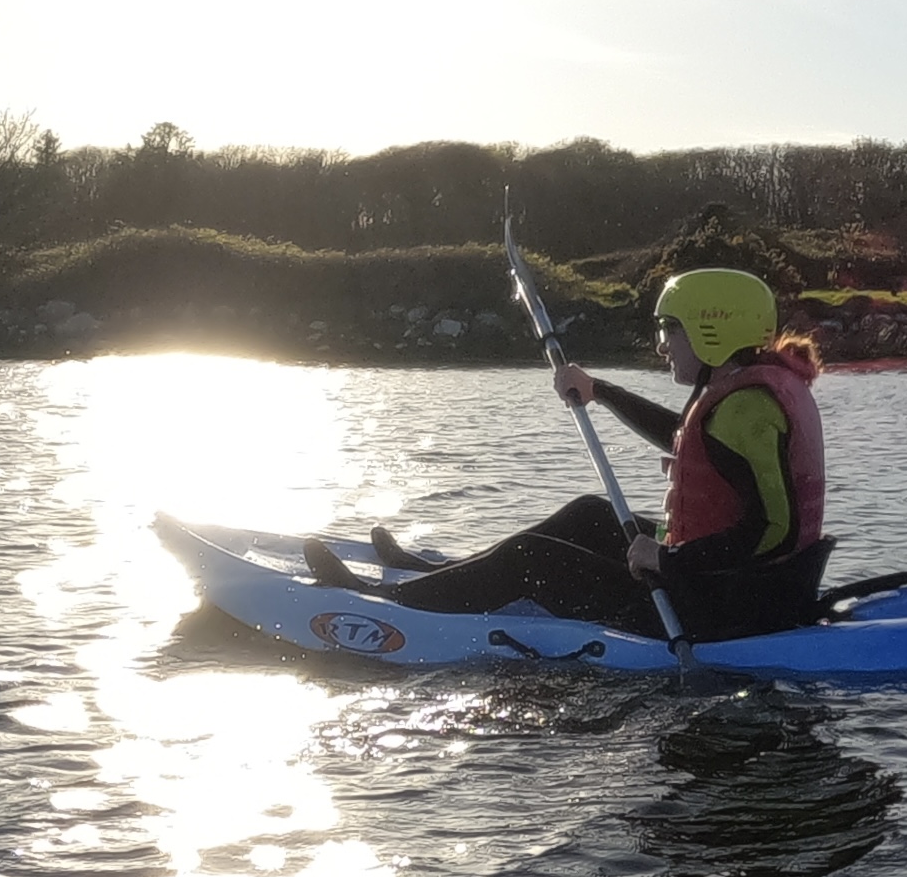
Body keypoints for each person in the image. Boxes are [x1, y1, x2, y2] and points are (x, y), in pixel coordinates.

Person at [304, 267, 830, 640]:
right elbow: (688, 437)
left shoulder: (747, 406)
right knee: (590, 514)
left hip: (723, 608)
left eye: (670, 328)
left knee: (534, 561)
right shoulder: (743, 390)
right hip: (733, 587)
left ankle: (385, 603)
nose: (662, 343)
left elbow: (773, 529)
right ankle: (427, 573)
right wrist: (600, 391)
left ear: (713, 328)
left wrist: (665, 558)